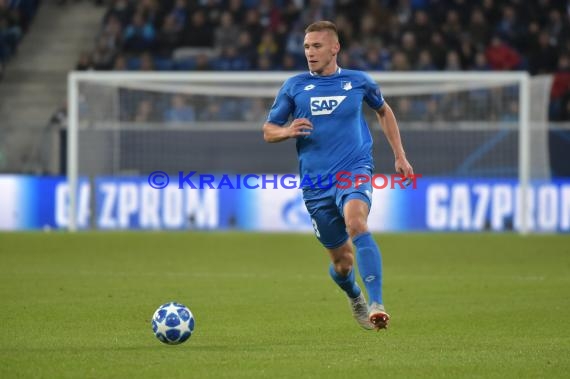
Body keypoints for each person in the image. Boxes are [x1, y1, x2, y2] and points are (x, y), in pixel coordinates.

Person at [262, 21, 413, 330]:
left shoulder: (359, 82)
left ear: (335, 48)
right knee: (342, 262)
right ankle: (354, 295)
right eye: (306, 47)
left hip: (354, 169)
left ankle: (376, 303)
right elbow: (268, 130)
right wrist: (287, 130)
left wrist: (400, 154)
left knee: (357, 222)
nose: (310, 53)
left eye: (316, 46)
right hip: (315, 183)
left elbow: (383, 111)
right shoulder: (294, 86)